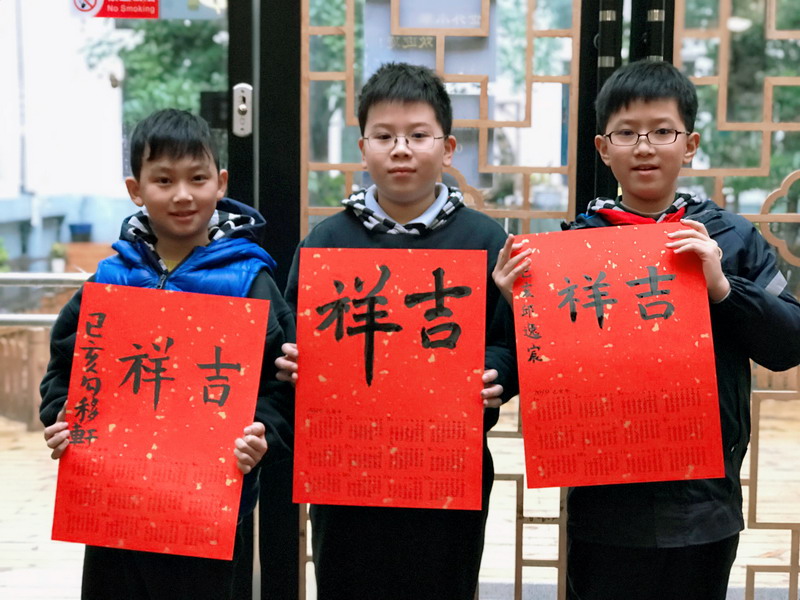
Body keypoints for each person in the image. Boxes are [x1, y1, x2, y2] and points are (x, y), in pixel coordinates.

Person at [493, 60, 800, 600]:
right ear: (602, 147)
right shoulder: (571, 250)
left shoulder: (729, 239)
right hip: (606, 504)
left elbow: (789, 344)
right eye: (626, 133)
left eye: (662, 131)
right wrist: (517, 307)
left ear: (691, 145)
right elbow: (539, 374)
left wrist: (722, 287)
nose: (644, 147)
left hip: (704, 502)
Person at [276, 62, 517, 599]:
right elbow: (295, 335)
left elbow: (510, 341)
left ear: (447, 148)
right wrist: (294, 363)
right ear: (363, 149)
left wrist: (497, 373)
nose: (401, 149)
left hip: (448, 464)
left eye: (418, 135)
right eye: (384, 136)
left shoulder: (484, 241)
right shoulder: (326, 242)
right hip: (346, 470)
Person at [40, 109, 295, 600]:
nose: (182, 194)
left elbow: (280, 384)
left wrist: (262, 435)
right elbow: (65, 368)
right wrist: (62, 418)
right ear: (136, 190)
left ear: (221, 183)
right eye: (163, 180)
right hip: (115, 503)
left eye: (197, 178)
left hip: (210, 510)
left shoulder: (250, 281)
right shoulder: (111, 281)